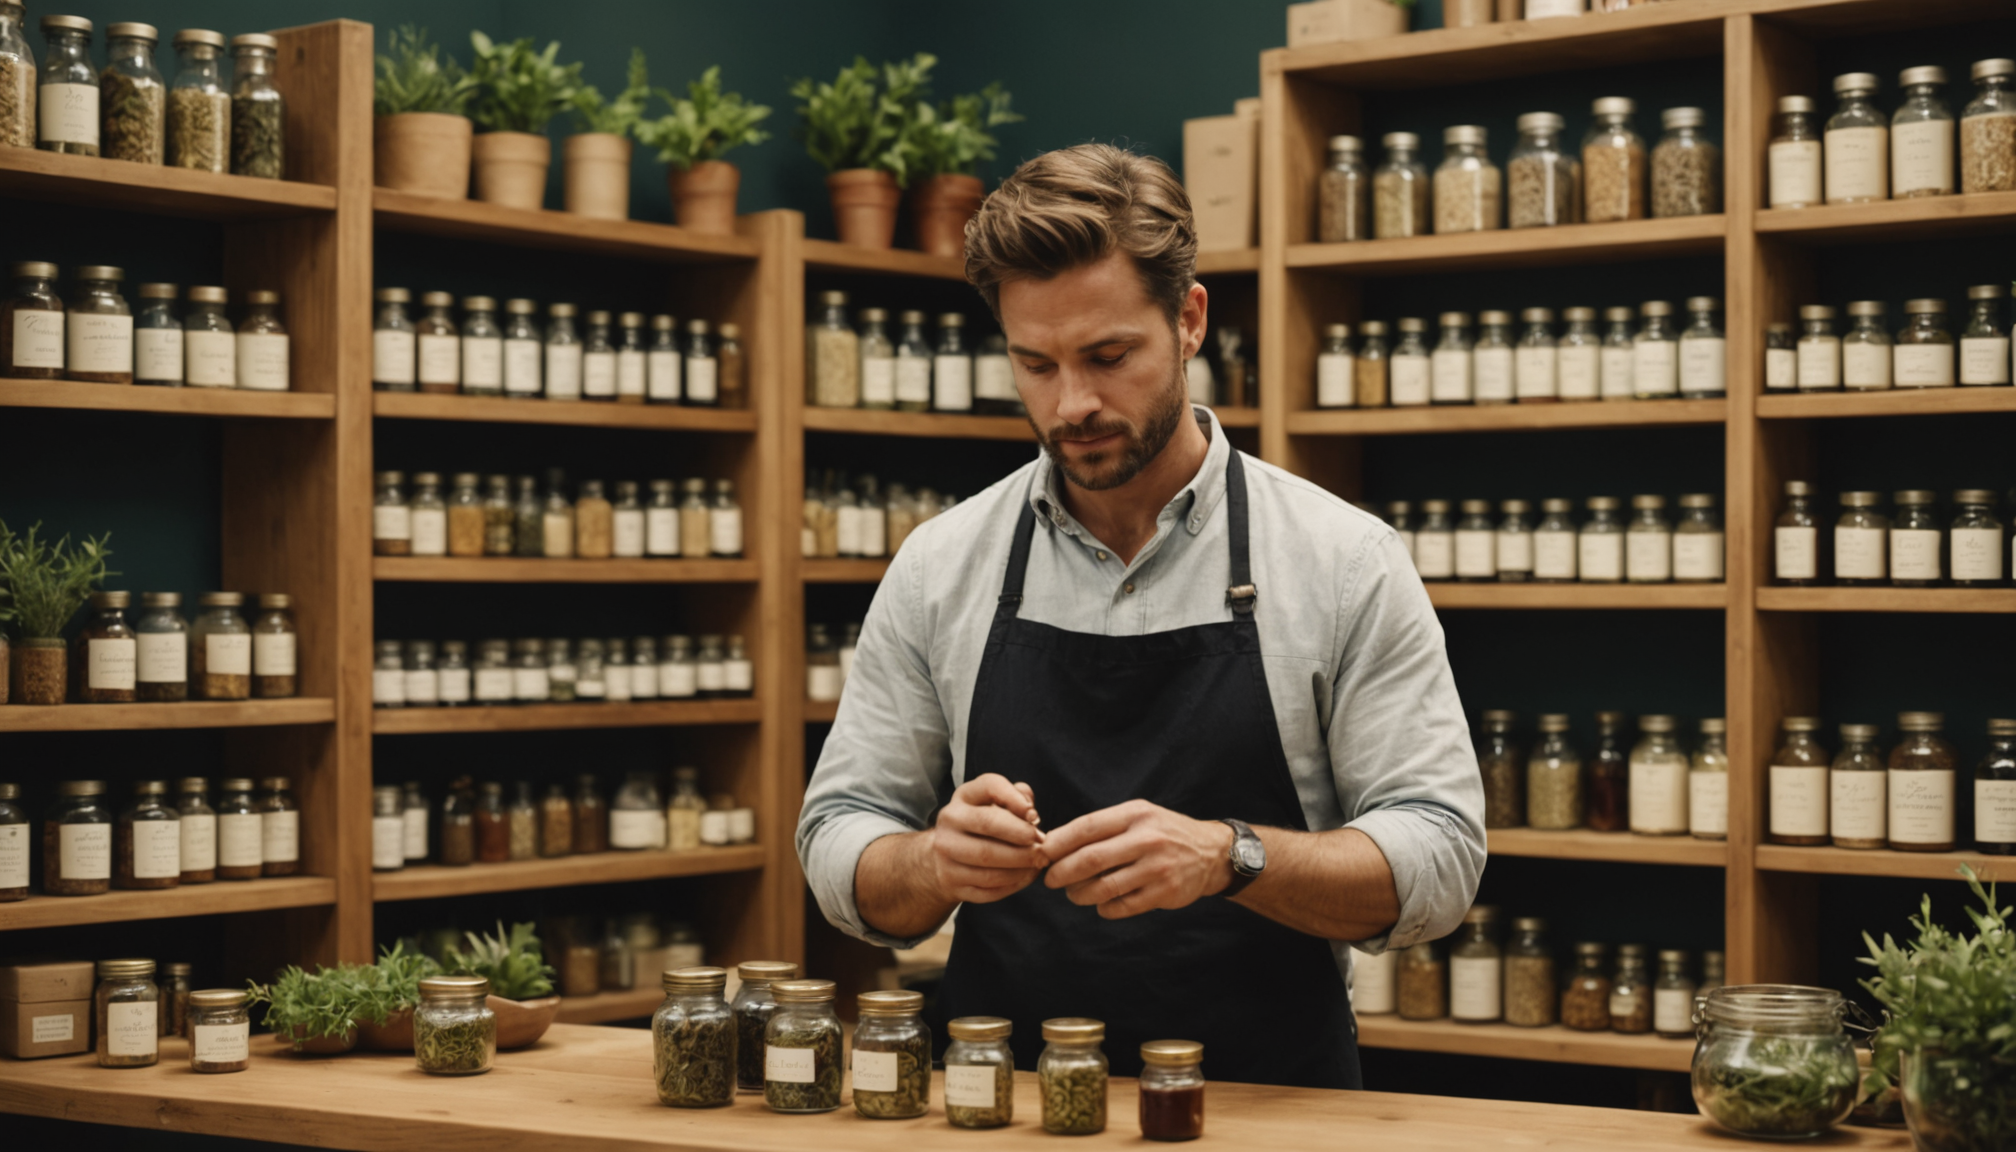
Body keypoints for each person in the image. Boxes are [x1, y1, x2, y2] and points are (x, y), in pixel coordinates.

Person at [796, 142, 1483, 1089]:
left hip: (1271, 1102)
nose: (1072, 403)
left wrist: (1229, 855)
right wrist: (930, 861)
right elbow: (838, 834)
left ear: (1190, 319)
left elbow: (1441, 857)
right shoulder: (942, 565)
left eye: (1109, 356)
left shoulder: (1341, 560)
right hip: (1002, 1101)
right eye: (1034, 364)